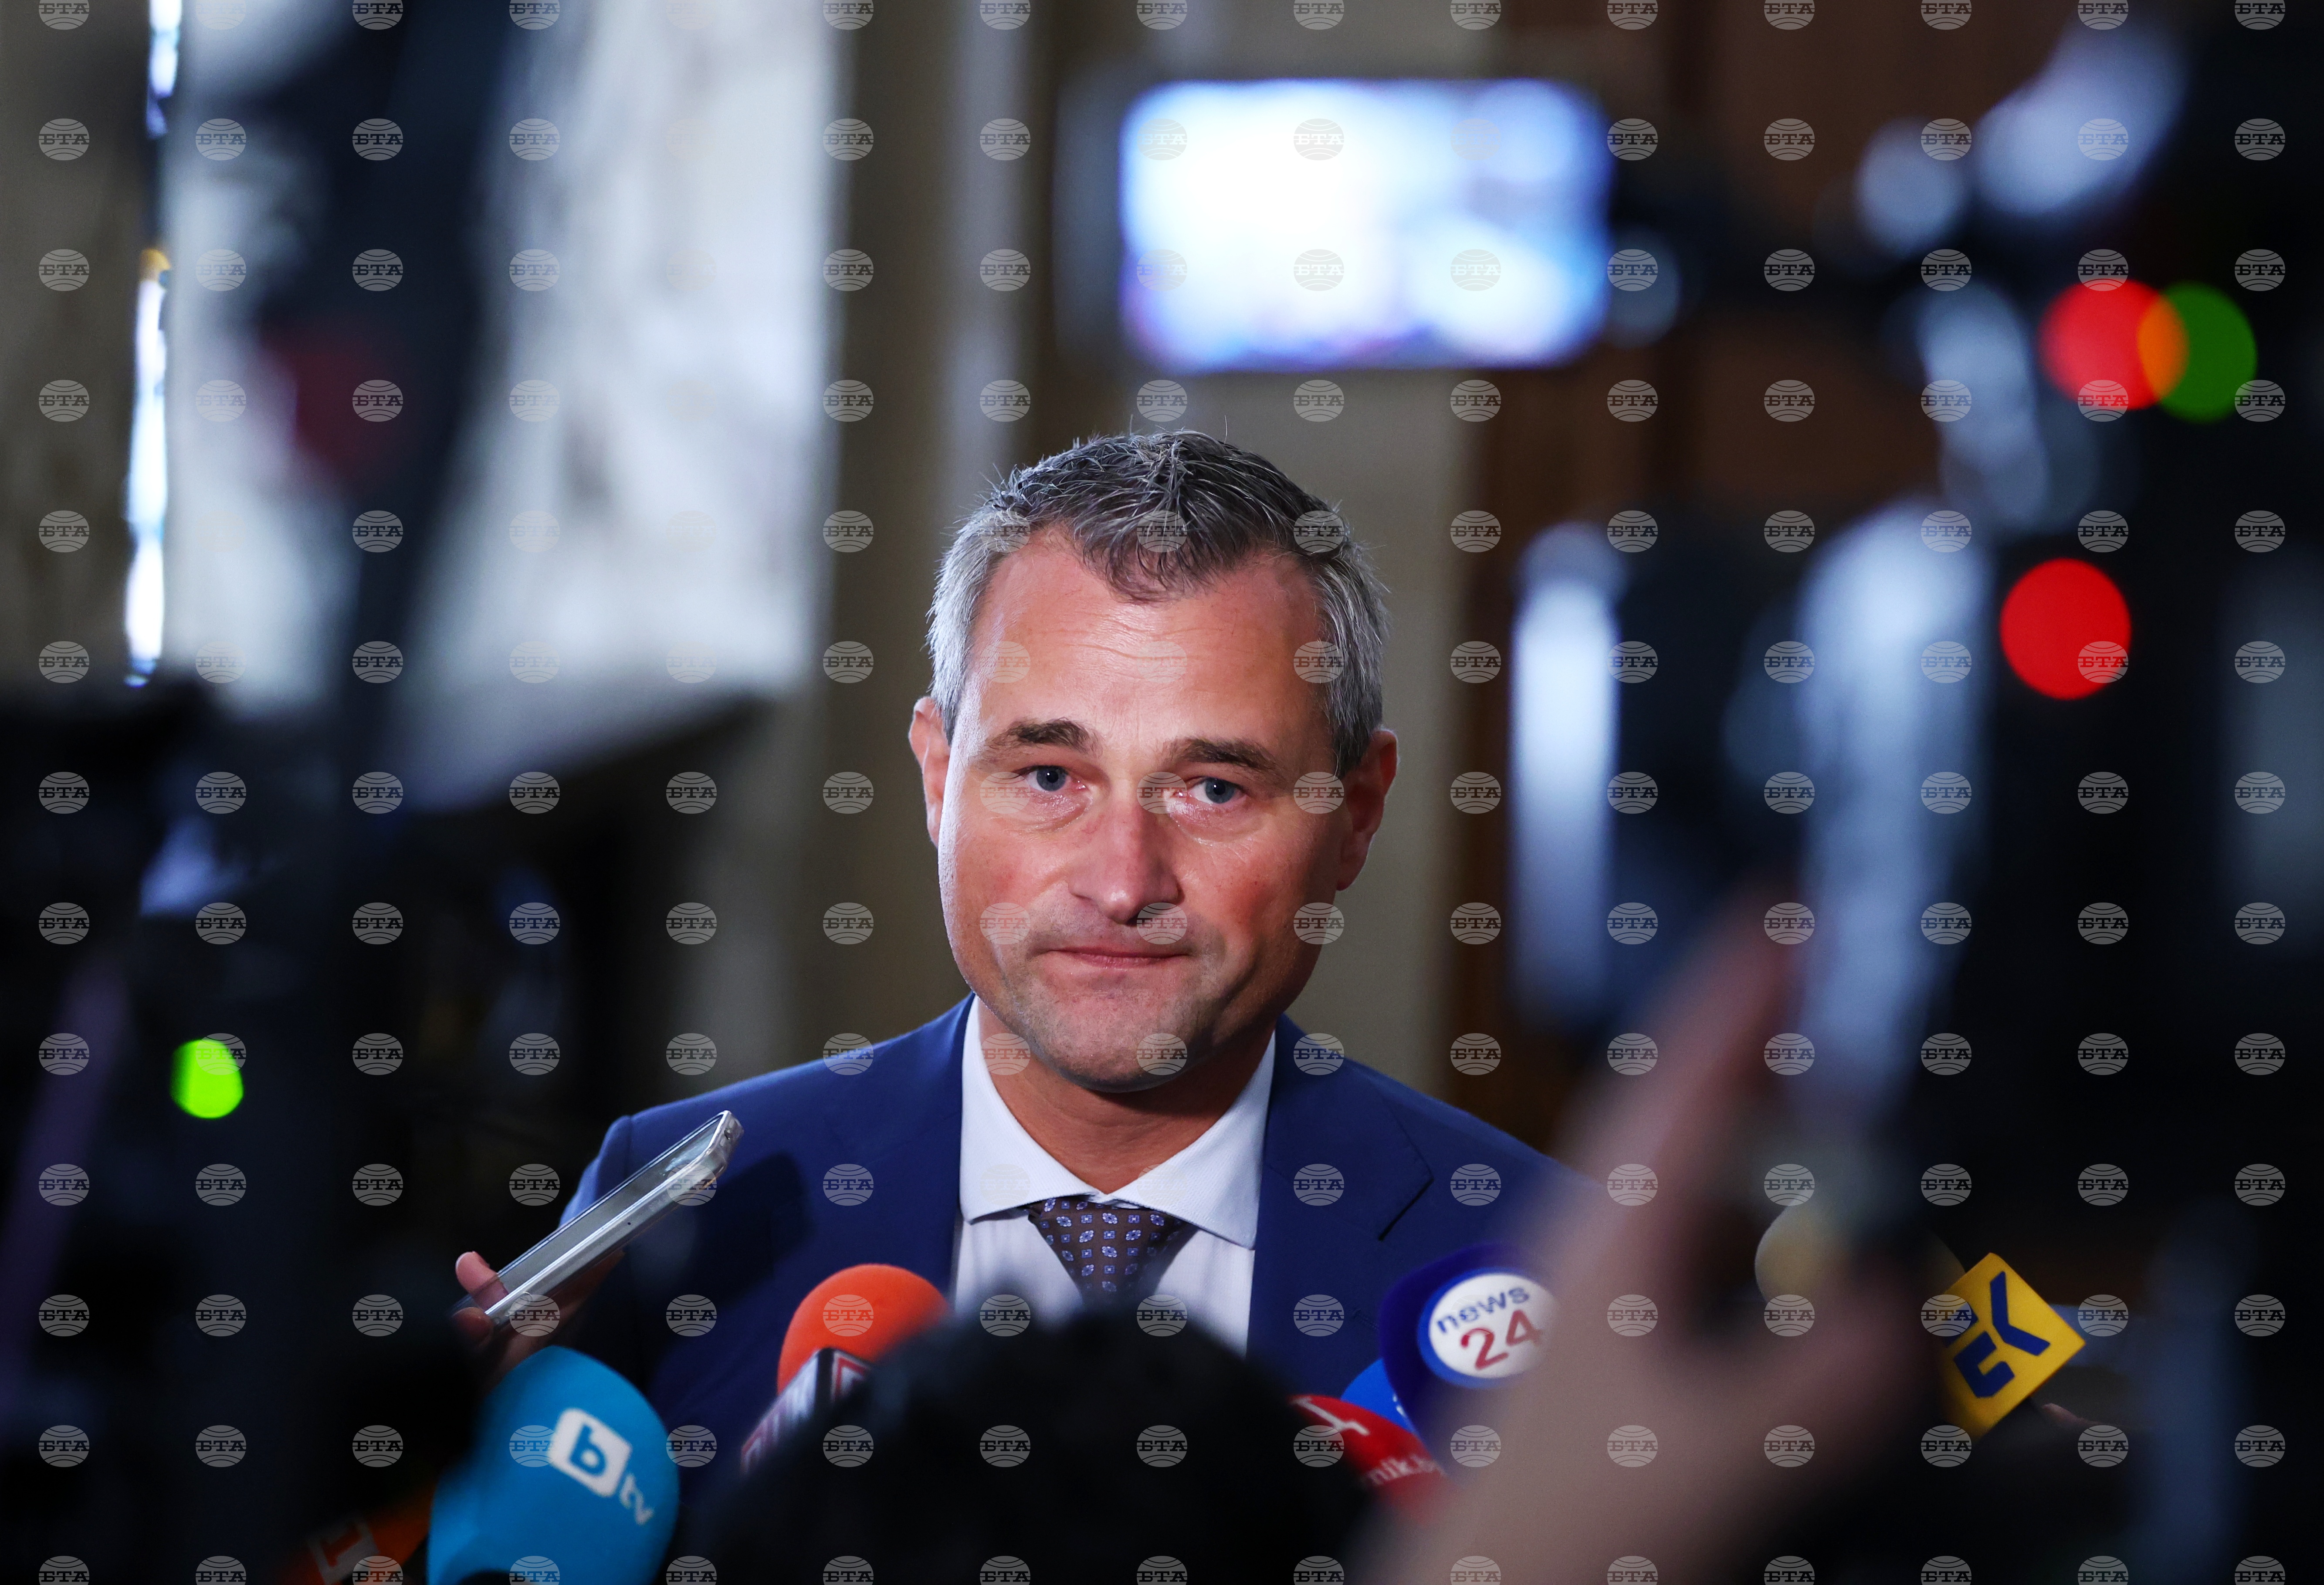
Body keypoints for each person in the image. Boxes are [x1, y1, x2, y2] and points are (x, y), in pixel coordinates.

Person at [453, 432, 1585, 1480]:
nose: (1123, 883)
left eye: (1213, 789)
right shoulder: (681, 1219)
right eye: (1048, 776)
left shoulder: (1553, 1261)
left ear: (1356, 814)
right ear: (939, 779)